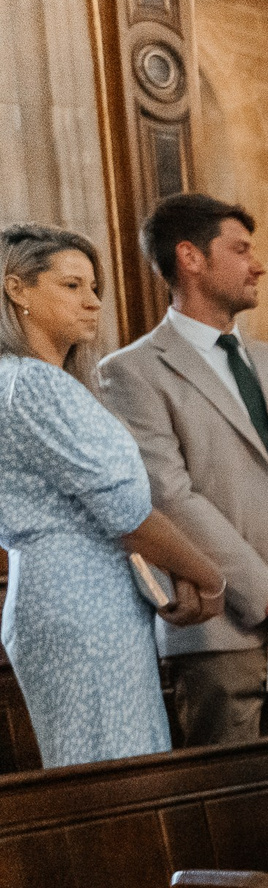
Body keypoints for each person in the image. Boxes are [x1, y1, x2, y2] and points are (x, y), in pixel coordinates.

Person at [98, 193, 268, 744]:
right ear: (191, 257)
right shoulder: (132, 373)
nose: (258, 265)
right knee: (231, 811)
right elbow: (168, 497)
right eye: (240, 250)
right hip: (222, 630)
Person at [0, 223, 224, 766]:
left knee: (107, 767)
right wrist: (210, 576)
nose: (93, 301)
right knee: (115, 771)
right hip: (79, 599)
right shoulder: (32, 383)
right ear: (17, 289)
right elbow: (128, 515)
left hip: (69, 592)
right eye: (72, 286)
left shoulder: (20, 380)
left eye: (95, 287)